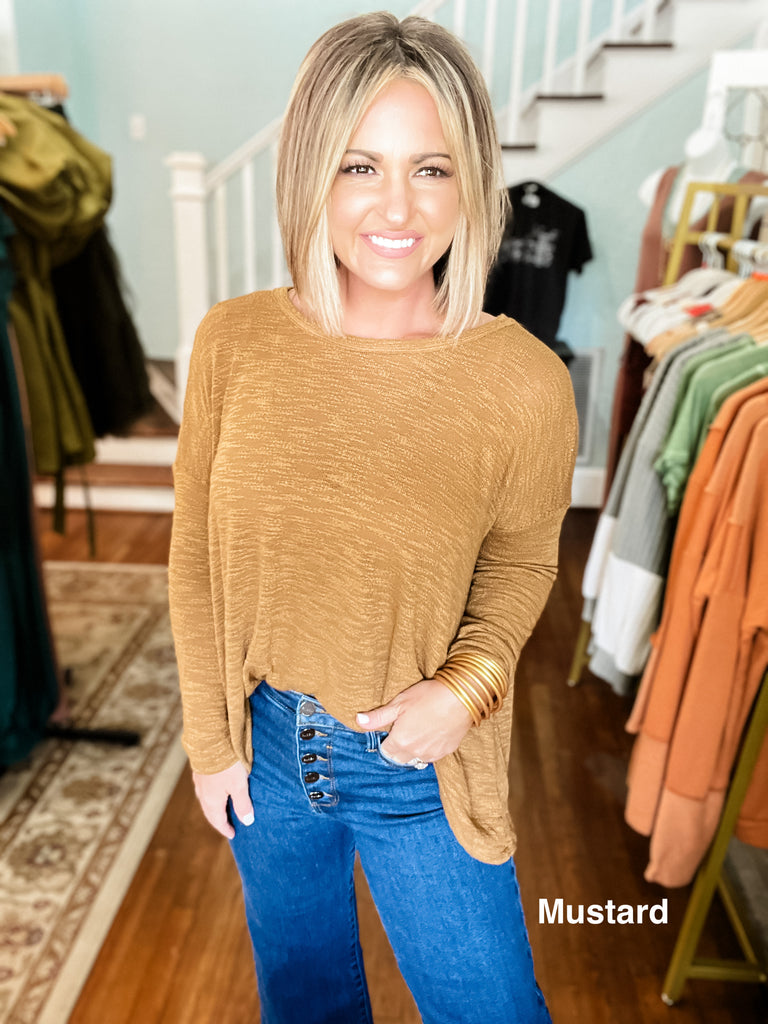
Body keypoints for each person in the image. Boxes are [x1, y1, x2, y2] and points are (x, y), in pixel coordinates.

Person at [169, 12, 577, 1024]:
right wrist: (210, 740)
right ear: (312, 172)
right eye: (361, 166)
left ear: (471, 182)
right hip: (268, 748)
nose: (397, 206)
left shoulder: (523, 380)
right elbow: (194, 555)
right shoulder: (233, 344)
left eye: (431, 169)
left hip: (420, 765)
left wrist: (465, 692)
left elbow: (523, 563)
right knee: (304, 1002)